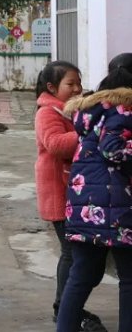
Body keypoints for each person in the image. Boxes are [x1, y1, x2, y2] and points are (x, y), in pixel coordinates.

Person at [56, 54, 132, 332]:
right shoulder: (125, 109)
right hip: (119, 205)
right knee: (129, 278)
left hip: (83, 203)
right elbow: (113, 150)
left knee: (80, 275)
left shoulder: (90, 112)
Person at [34, 61, 106, 331]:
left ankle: (68, 306)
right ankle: (63, 307)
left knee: (80, 258)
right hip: (59, 192)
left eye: (79, 83)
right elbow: (55, 145)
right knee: (72, 255)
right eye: (70, 84)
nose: (77, 89)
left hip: (75, 192)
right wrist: (88, 129)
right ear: (52, 87)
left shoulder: (72, 108)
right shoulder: (47, 112)